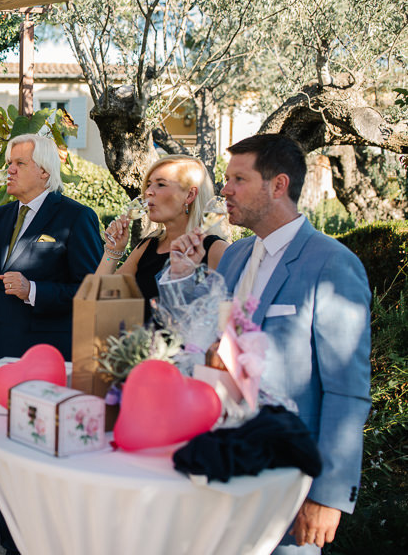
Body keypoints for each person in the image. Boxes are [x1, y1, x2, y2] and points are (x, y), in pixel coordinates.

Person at [166, 134, 371, 554]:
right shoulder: (236, 255)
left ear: (278, 186)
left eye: (238, 179)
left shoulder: (333, 264)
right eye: (225, 179)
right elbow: (201, 340)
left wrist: (327, 494)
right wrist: (183, 275)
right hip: (221, 461)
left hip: (286, 479)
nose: (224, 190)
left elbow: (346, 389)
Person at [0, 134, 102, 555]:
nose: (8, 169)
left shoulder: (74, 218)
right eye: (9, 163)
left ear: (44, 172)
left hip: (44, 360)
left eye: (18, 163)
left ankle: (47, 539)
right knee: (6, 459)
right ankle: (13, 541)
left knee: (41, 457)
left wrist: (34, 290)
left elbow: (91, 289)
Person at [94, 154, 227, 323]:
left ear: (189, 195)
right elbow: (99, 299)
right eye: (148, 185)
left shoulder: (216, 250)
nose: (148, 191)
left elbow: (224, 318)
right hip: (139, 348)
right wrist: (113, 251)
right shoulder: (148, 245)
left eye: (161, 184)